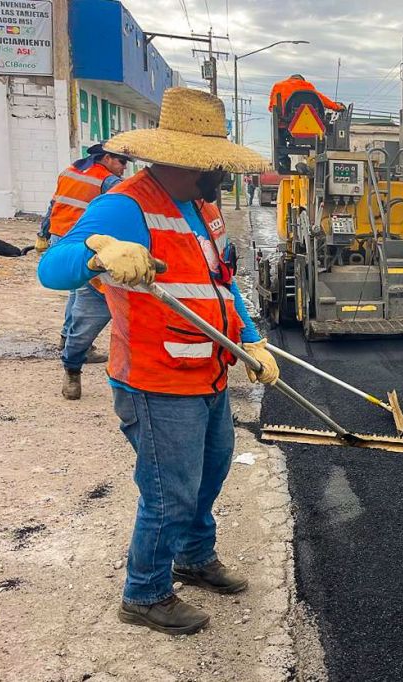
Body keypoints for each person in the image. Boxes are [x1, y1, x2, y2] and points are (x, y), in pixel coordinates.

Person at [38, 87, 278, 636]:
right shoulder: (125, 206)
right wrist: (98, 255)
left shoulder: (203, 208)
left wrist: (253, 340)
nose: (223, 172)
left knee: (209, 472)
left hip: (208, 369)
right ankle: (144, 593)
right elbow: (53, 268)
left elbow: (222, 288)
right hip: (156, 379)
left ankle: (194, 556)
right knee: (169, 489)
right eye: (216, 163)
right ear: (187, 160)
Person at [36, 142, 130, 399]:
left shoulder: (69, 171)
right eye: (121, 162)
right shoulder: (108, 181)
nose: (124, 168)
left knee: (76, 293)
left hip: (60, 238)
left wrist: (43, 233)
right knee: (84, 297)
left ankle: (68, 340)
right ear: (107, 158)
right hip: (84, 243)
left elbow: (53, 203)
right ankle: (74, 348)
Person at [268, 74, 345, 114]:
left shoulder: (278, 86)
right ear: (302, 80)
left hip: (286, 117)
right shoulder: (307, 85)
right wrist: (337, 107)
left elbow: (272, 107)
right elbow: (322, 99)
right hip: (310, 116)